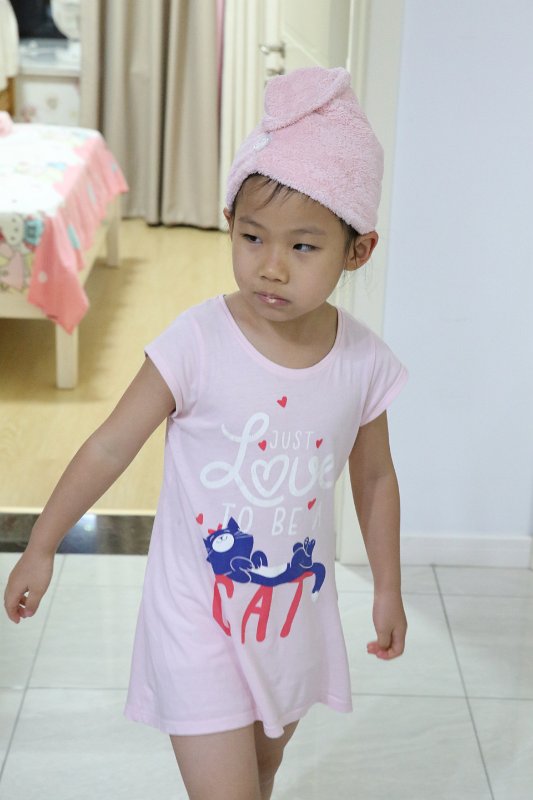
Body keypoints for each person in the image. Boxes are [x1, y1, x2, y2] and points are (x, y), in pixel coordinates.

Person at [4, 66, 408, 800]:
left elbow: (374, 477)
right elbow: (110, 445)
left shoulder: (362, 362)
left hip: (288, 620)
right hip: (194, 616)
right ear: (230, 223)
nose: (270, 267)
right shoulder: (197, 342)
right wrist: (41, 544)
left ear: (358, 250)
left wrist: (387, 586)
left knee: (262, 768)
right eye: (251, 236)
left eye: (303, 247)